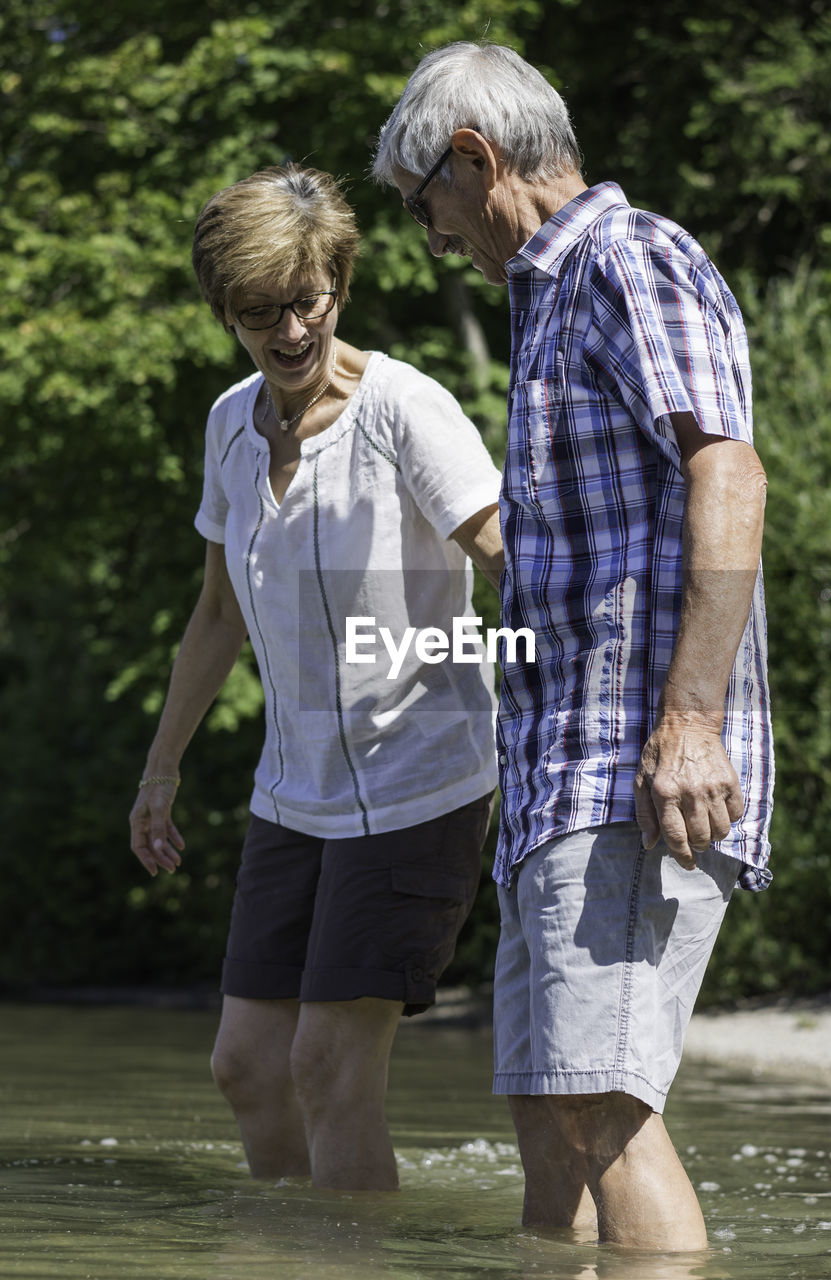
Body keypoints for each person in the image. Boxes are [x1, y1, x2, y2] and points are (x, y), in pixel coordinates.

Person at [374, 43, 773, 1251]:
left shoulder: (628, 256)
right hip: (560, 779)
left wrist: (690, 722)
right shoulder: (543, 301)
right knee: (548, 1117)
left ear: (475, 159)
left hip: (635, 770)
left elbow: (729, 470)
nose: (432, 236)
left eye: (425, 204)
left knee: (604, 1108)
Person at [129, 163, 505, 1192]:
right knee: (247, 1065)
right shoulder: (228, 426)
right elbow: (217, 613)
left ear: (339, 281)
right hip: (292, 798)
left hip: (419, 787)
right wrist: (160, 770)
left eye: (308, 301)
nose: (290, 331)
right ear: (225, 311)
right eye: (259, 313)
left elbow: (510, 559)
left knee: (330, 1068)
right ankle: (294, 1253)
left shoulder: (404, 410)